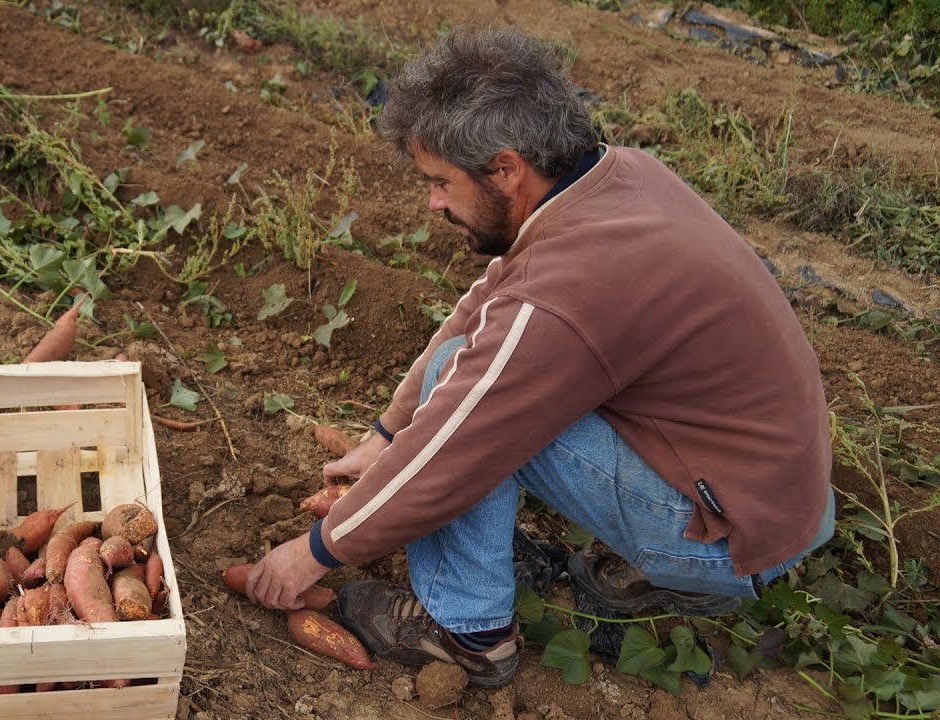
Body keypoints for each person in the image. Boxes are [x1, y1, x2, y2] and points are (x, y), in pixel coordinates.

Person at [244, 26, 835, 688]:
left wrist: (314, 554)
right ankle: (672, 575)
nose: (432, 202)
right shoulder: (619, 177)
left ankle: (467, 636)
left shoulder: (567, 291)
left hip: (733, 538)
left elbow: (456, 440)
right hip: (779, 495)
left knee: (467, 407)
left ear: (505, 168)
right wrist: (383, 434)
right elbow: (488, 302)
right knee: (471, 375)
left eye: (441, 182)